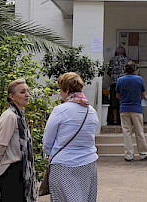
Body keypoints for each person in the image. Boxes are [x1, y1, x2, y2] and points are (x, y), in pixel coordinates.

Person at [42, 72, 101, 202]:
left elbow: (47, 141)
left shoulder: (60, 110)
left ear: (67, 89)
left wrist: (48, 154)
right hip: (89, 163)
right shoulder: (91, 111)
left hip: (63, 165)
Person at [0, 79, 36, 202]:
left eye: (27, 91)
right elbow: (0, 145)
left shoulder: (19, 115)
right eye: (22, 92)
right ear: (12, 96)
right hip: (10, 171)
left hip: (20, 169)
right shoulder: (10, 116)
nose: (27, 95)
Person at [116, 61, 147, 162]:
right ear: (135, 69)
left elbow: (117, 95)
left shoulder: (120, 80)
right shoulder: (139, 79)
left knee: (126, 132)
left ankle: (129, 155)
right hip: (136, 108)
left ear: (125, 70)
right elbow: (143, 95)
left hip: (124, 108)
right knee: (139, 132)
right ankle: (143, 153)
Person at [107, 46, 129, 125]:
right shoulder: (127, 60)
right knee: (124, 101)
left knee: (114, 101)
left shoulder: (112, 60)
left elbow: (109, 71)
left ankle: (115, 120)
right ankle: (124, 121)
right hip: (125, 83)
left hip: (114, 82)